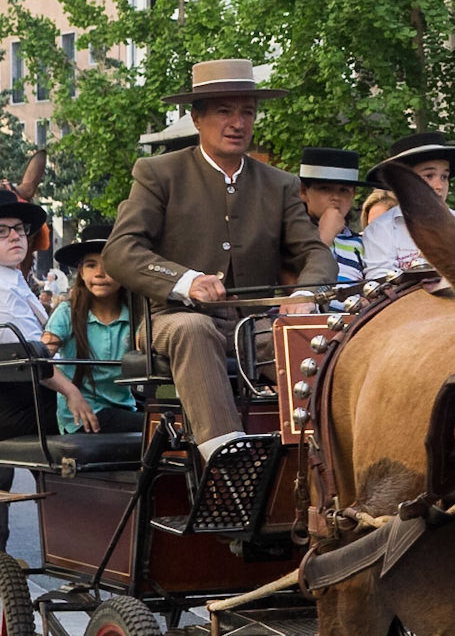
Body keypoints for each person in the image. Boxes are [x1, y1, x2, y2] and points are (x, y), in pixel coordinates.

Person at [103, 60, 337, 461]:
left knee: (306, 338)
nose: (238, 123)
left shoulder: (279, 184)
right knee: (194, 328)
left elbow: (315, 253)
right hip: (171, 319)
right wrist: (186, 280)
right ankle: (227, 461)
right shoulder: (159, 173)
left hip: (251, 324)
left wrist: (306, 292)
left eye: (247, 112)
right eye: (225, 111)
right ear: (197, 118)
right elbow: (120, 251)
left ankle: (324, 457)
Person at [0, 189, 94, 446]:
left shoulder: (7, 279)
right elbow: (34, 355)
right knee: (146, 426)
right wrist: (73, 391)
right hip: (21, 413)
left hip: (26, 406)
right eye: (1, 231)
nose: (15, 236)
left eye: (19, 228)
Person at [359, 132, 455, 282]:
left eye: (444, 177)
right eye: (429, 176)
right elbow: (380, 283)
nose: (440, 186)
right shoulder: (381, 229)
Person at [41, 221, 140, 436]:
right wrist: (71, 393)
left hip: (125, 409)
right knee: (159, 427)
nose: (100, 273)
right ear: (81, 272)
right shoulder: (68, 312)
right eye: (91, 265)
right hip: (84, 416)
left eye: (109, 265)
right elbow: (39, 361)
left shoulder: (136, 315)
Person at [298, 148, 364, 289]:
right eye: (325, 189)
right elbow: (293, 281)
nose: (336, 197)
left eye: (344, 190)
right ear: (303, 192)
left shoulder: (362, 244)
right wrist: (326, 235)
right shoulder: (290, 235)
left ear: (353, 194)